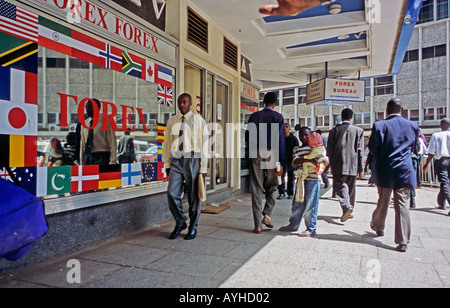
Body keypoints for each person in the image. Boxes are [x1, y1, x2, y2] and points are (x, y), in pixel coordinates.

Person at [368, 98, 419, 252]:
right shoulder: (413, 125)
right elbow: (414, 148)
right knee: (403, 205)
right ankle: (403, 241)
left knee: (383, 201)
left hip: (385, 169)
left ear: (387, 110)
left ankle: (378, 226)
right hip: (404, 170)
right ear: (401, 109)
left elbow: (373, 148)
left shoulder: (379, 125)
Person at [162, 93, 208, 240]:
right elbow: (167, 143)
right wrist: (167, 163)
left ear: (190, 103)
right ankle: (180, 221)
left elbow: (205, 145)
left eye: (184, 102)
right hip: (176, 160)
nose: (181, 104)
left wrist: (203, 168)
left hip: (193, 159)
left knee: (194, 197)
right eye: (179, 102)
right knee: (171, 193)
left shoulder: (199, 121)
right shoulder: (172, 121)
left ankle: (193, 227)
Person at [247, 92, 285, 234]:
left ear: (264, 102)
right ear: (275, 103)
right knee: (274, 185)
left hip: (255, 152)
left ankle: (257, 225)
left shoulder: (254, 116)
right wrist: (280, 162)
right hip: (272, 154)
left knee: (256, 188)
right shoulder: (278, 117)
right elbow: (280, 141)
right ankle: (267, 214)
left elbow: (248, 136)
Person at [279, 127, 328, 236]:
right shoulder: (296, 149)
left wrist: (320, 160)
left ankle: (311, 228)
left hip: (313, 180)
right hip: (301, 180)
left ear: (311, 135)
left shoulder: (316, 148)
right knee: (297, 203)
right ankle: (293, 225)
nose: (304, 137)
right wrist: (310, 160)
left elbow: (325, 160)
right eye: (301, 135)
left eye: (306, 135)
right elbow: (296, 161)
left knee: (311, 204)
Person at [327, 108, 364, 222]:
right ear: (351, 117)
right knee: (351, 188)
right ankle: (349, 209)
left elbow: (329, 151)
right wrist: (361, 168)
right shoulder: (359, 131)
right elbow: (360, 151)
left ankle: (346, 207)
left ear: (341, 117)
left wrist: (328, 166)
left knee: (340, 186)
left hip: (338, 164)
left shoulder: (334, 131)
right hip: (353, 164)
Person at [424, 118, 450, 214]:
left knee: (444, 182)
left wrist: (426, 164)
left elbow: (431, 152)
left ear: (441, 125)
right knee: (446, 183)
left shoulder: (436, 135)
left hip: (441, 161)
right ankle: (441, 203)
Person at [80, 99, 118, 165]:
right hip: (88, 157)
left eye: (90, 107)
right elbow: (82, 143)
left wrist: (112, 161)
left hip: (102, 156)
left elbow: (112, 143)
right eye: (86, 107)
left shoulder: (106, 122)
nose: (87, 110)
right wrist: (81, 160)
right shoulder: (84, 124)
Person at [277, 123, 299, 200]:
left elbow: (296, 150)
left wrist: (294, 160)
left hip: (290, 161)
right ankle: (281, 192)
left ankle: (290, 193)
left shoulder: (293, 139)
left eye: (287, 127)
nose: (285, 129)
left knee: (291, 177)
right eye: (284, 127)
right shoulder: (279, 138)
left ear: (289, 128)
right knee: (280, 177)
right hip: (281, 161)